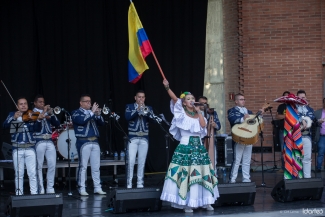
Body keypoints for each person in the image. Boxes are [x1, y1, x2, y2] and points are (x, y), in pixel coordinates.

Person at [160, 79, 219, 213]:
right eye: (188, 98)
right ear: (184, 102)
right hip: (185, 147)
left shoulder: (198, 114)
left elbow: (204, 126)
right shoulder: (180, 113)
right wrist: (167, 87)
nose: (191, 100)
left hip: (198, 147)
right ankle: (187, 202)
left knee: (203, 173)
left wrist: (199, 112)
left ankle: (207, 200)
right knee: (186, 175)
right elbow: (175, 99)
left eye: (193, 98)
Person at [3, 97, 41, 195]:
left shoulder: (32, 114)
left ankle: (34, 193)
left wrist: (39, 120)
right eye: (21, 104)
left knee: (32, 173)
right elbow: (4, 126)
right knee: (19, 173)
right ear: (17, 106)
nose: (23, 105)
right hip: (17, 148)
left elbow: (38, 128)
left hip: (30, 148)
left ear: (28, 105)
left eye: (25, 104)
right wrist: (14, 118)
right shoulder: (12, 114)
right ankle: (19, 193)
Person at [71, 94, 106, 196]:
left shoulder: (92, 113)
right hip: (83, 141)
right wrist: (92, 112)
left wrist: (98, 114)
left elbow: (102, 124)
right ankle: (81, 188)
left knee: (96, 166)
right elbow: (81, 121)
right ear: (81, 103)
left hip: (95, 141)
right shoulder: (75, 112)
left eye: (90, 101)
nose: (89, 103)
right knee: (83, 166)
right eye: (86, 101)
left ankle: (97, 187)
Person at [228, 93, 263, 183]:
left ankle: (246, 179)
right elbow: (232, 120)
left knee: (247, 159)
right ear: (236, 101)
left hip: (248, 137)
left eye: (244, 99)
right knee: (237, 159)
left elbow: (254, 122)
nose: (243, 101)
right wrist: (242, 118)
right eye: (241, 99)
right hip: (239, 137)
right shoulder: (232, 110)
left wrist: (260, 115)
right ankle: (232, 179)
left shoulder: (249, 112)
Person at [125, 90, 153, 188]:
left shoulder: (148, 108)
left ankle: (139, 182)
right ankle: (129, 183)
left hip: (144, 137)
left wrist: (146, 111)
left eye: (143, 97)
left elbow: (153, 120)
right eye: (139, 97)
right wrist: (138, 110)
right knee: (131, 161)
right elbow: (127, 117)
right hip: (133, 137)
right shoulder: (130, 106)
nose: (141, 99)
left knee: (142, 161)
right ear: (135, 98)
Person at [33, 95, 61, 194]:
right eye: (40, 102)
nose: (42, 104)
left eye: (43, 102)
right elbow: (35, 127)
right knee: (39, 165)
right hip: (38, 140)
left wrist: (51, 114)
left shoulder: (48, 113)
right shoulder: (32, 113)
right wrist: (43, 113)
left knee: (52, 164)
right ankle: (40, 188)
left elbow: (57, 124)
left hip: (49, 140)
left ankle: (50, 187)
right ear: (35, 103)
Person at [296, 90, 315, 178]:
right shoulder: (293, 109)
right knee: (297, 158)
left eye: (303, 97)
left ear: (306, 98)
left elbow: (313, 121)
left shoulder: (310, 109)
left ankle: (308, 178)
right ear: (297, 99)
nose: (302, 99)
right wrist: (301, 120)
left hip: (307, 136)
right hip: (296, 137)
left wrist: (318, 121)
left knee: (307, 159)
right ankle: (298, 179)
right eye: (300, 98)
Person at [198, 96, 221, 167]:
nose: (204, 105)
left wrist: (215, 125)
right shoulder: (195, 113)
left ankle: (213, 175)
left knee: (212, 158)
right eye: (201, 103)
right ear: (198, 104)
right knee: (200, 159)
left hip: (211, 138)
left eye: (205, 103)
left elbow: (219, 126)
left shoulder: (213, 113)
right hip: (199, 140)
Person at [275, 91, 290, 171]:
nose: (286, 98)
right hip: (282, 130)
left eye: (287, 97)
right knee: (283, 149)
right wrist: (288, 115)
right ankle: (284, 167)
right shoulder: (281, 106)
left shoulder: (293, 106)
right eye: (285, 97)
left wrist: (283, 116)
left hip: (291, 131)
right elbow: (277, 116)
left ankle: (291, 167)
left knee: (291, 149)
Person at [314, 98, 325, 173]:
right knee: (321, 152)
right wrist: (319, 121)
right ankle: (318, 168)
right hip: (322, 136)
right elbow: (313, 123)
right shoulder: (317, 112)